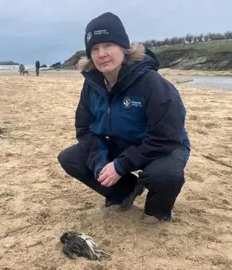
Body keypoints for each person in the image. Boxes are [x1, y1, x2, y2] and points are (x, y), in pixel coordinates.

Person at [57, 12, 190, 223]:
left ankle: (158, 210)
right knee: (70, 158)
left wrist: (120, 165)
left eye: (108, 44)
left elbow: (166, 137)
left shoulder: (152, 84)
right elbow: (85, 130)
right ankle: (125, 190)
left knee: (165, 174)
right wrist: (101, 163)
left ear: (123, 48)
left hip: (163, 146)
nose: (101, 54)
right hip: (122, 143)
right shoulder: (92, 85)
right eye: (94, 48)